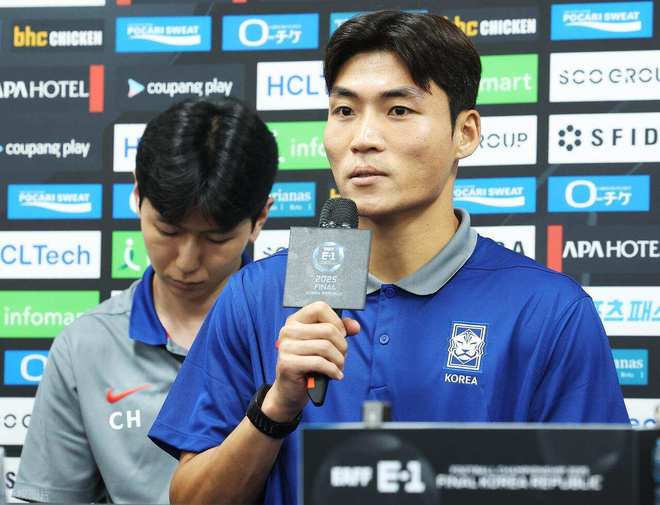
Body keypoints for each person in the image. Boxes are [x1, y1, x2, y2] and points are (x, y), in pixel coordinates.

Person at [149, 11, 629, 505]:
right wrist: (275, 408)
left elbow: (594, 488)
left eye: (398, 110)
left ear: (464, 133)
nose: (363, 138)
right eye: (344, 110)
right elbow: (191, 499)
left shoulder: (549, 311)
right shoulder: (256, 294)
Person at [12, 98, 278, 503]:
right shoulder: (86, 346)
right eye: (168, 231)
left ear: (261, 217)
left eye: (216, 238)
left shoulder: (300, 336)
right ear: (137, 193)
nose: (187, 261)